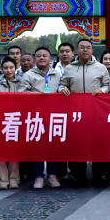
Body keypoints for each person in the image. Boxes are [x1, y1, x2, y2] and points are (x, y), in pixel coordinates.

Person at [60, 38, 110, 186]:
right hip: (76, 112)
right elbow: (62, 84)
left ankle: (98, 175)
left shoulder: (101, 67)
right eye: (82, 47)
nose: (85, 50)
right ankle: (78, 175)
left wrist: (101, 90)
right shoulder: (69, 68)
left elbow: (107, 85)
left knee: (97, 143)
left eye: (88, 47)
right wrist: (62, 89)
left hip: (96, 111)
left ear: (92, 50)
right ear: (77, 50)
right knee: (77, 143)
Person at [21, 47, 64, 188]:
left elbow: (61, 91)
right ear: (35, 59)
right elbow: (22, 93)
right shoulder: (28, 75)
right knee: (37, 147)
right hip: (35, 116)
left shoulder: (57, 74)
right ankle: (39, 176)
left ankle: (52, 176)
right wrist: (39, 97)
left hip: (53, 115)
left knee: (53, 147)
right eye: (38, 56)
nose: (41, 58)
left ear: (50, 59)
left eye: (45, 55)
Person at [0, 56, 22, 189]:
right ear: (1, 69)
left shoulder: (21, 82)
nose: (9, 71)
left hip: (17, 120)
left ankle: (14, 179)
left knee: (14, 152)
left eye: (11, 68)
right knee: (0, 152)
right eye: (5, 68)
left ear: (15, 68)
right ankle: (2, 180)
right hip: (0, 121)